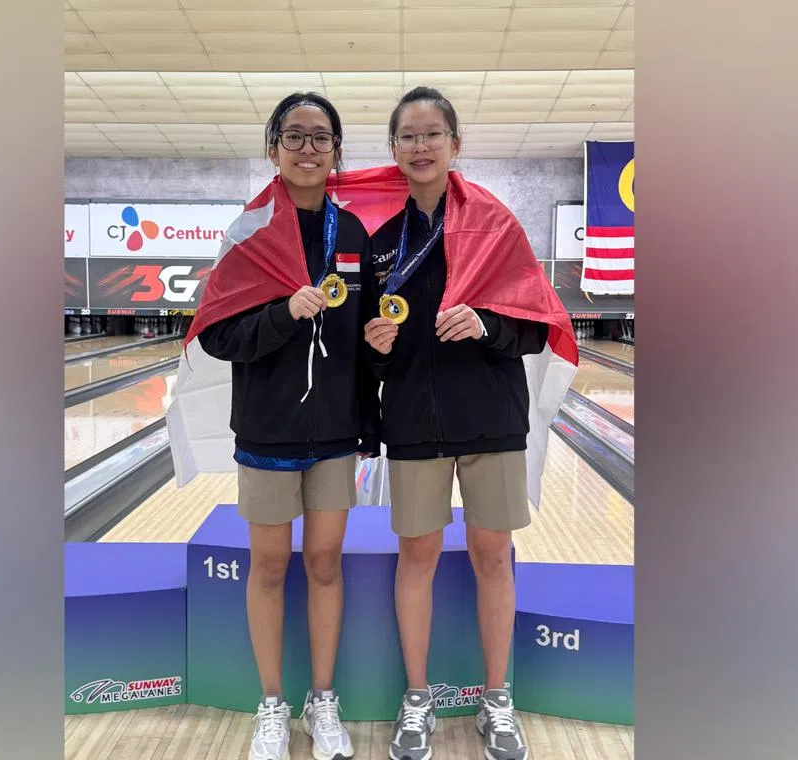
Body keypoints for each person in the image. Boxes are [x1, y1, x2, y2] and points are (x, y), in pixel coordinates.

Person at [363, 87, 552, 760]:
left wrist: (488, 324)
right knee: (416, 556)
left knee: (492, 556)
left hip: (490, 421)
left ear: (455, 144)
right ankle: (417, 700)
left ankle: (495, 700)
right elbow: (367, 351)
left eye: (432, 133)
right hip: (413, 424)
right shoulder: (382, 246)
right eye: (408, 136)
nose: (420, 146)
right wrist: (372, 346)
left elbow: (535, 329)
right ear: (394, 150)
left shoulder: (497, 227)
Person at [197, 92, 377, 760]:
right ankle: (271, 704)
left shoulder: (353, 236)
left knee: (325, 563)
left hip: (333, 433)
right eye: (295, 136)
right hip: (268, 433)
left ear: (335, 152)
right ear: (273, 147)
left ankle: (320, 700)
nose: (308, 149)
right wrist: (282, 314)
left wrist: (377, 354)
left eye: (321, 138)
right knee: (270, 565)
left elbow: (358, 341)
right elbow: (218, 337)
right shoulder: (248, 234)